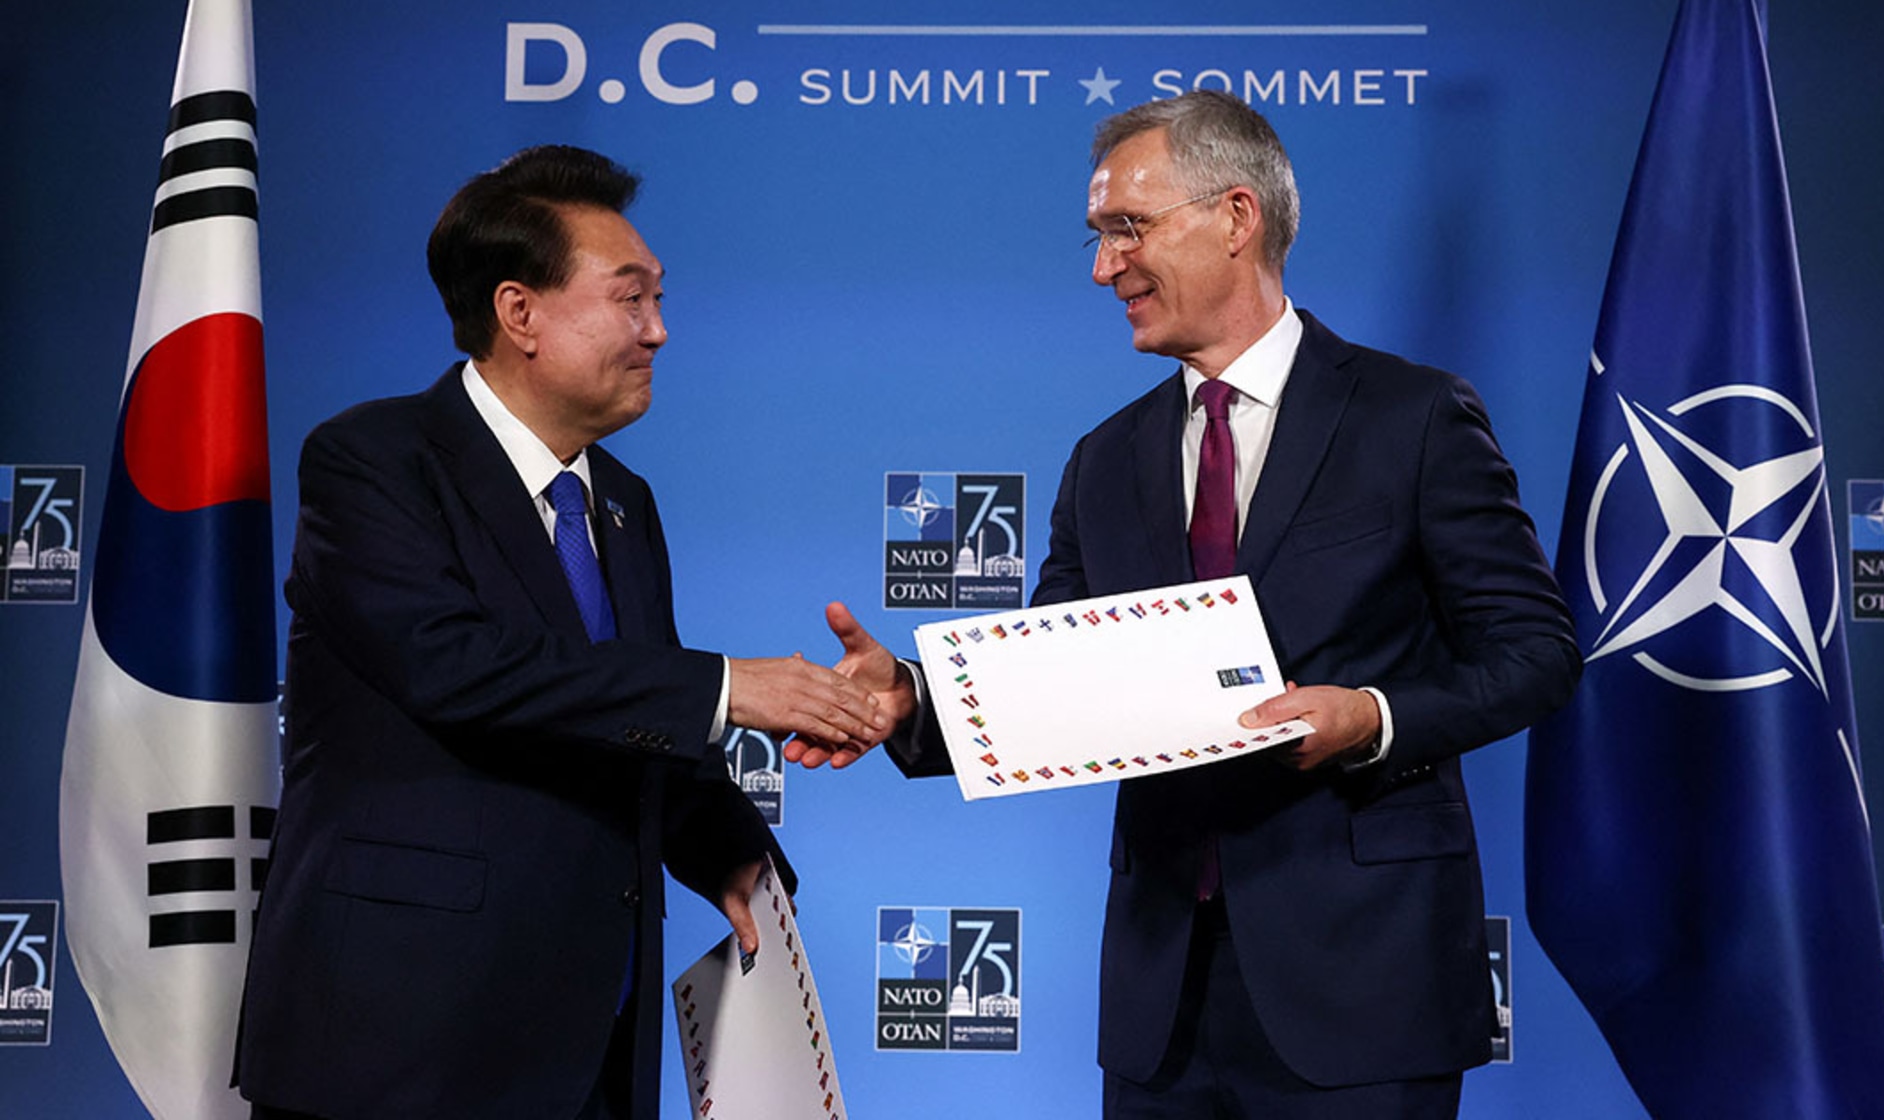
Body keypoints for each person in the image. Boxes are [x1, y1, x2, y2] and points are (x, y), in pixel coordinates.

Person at [823, 91, 1581, 1117]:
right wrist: (911, 700)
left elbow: (1534, 649)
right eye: (1097, 237)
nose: (1104, 267)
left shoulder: (1412, 417)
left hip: (1365, 985)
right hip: (1161, 1002)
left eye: (1127, 228)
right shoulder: (1106, 459)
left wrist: (1373, 715)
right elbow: (1052, 681)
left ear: (1236, 216)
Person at [234, 144, 893, 1120]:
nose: (659, 330)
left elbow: (616, 713)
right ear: (519, 312)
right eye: (630, 298)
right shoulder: (372, 461)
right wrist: (724, 689)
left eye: (659, 298)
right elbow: (453, 666)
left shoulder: (623, 501)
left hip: (588, 1044)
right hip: (396, 1042)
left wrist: (726, 845)